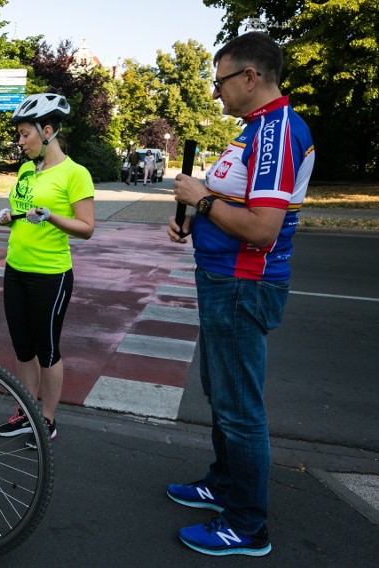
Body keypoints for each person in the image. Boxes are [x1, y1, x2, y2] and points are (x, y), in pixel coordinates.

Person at [167, 32, 315, 557]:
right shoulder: (255, 130)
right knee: (221, 392)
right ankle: (224, 485)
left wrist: (202, 200)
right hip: (223, 280)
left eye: (220, 81)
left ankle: (246, 525)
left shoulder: (275, 132)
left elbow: (262, 228)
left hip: (241, 284)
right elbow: (234, 204)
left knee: (239, 408)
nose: (216, 92)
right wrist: (195, 219)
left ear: (250, 77)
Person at [0, 93, 95, 449]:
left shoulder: (75, 174)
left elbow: (87, 227)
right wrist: (9, 218)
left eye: (25, 134)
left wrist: (53, 216)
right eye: (19, 135)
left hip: (51, 275)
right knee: (23, 348)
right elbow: (24, 215)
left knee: (46, 348)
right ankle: (26, 412)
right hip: (15, 269)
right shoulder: (25, 170)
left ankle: (47, 419)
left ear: (47, 130)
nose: (20, 142)